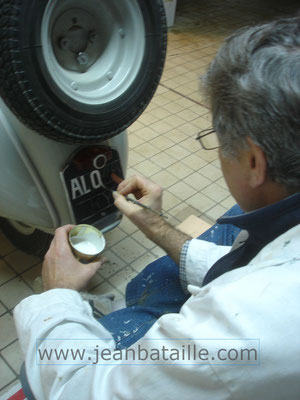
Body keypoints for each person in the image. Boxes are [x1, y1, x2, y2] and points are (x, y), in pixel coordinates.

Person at [14, 15, 300, 399]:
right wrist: (155, 223)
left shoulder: (243, 329)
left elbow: (76, 389)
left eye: (216, 135)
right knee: (200, 245)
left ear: (253, 161)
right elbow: (248, 267)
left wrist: (57, 296)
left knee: (37, 368)